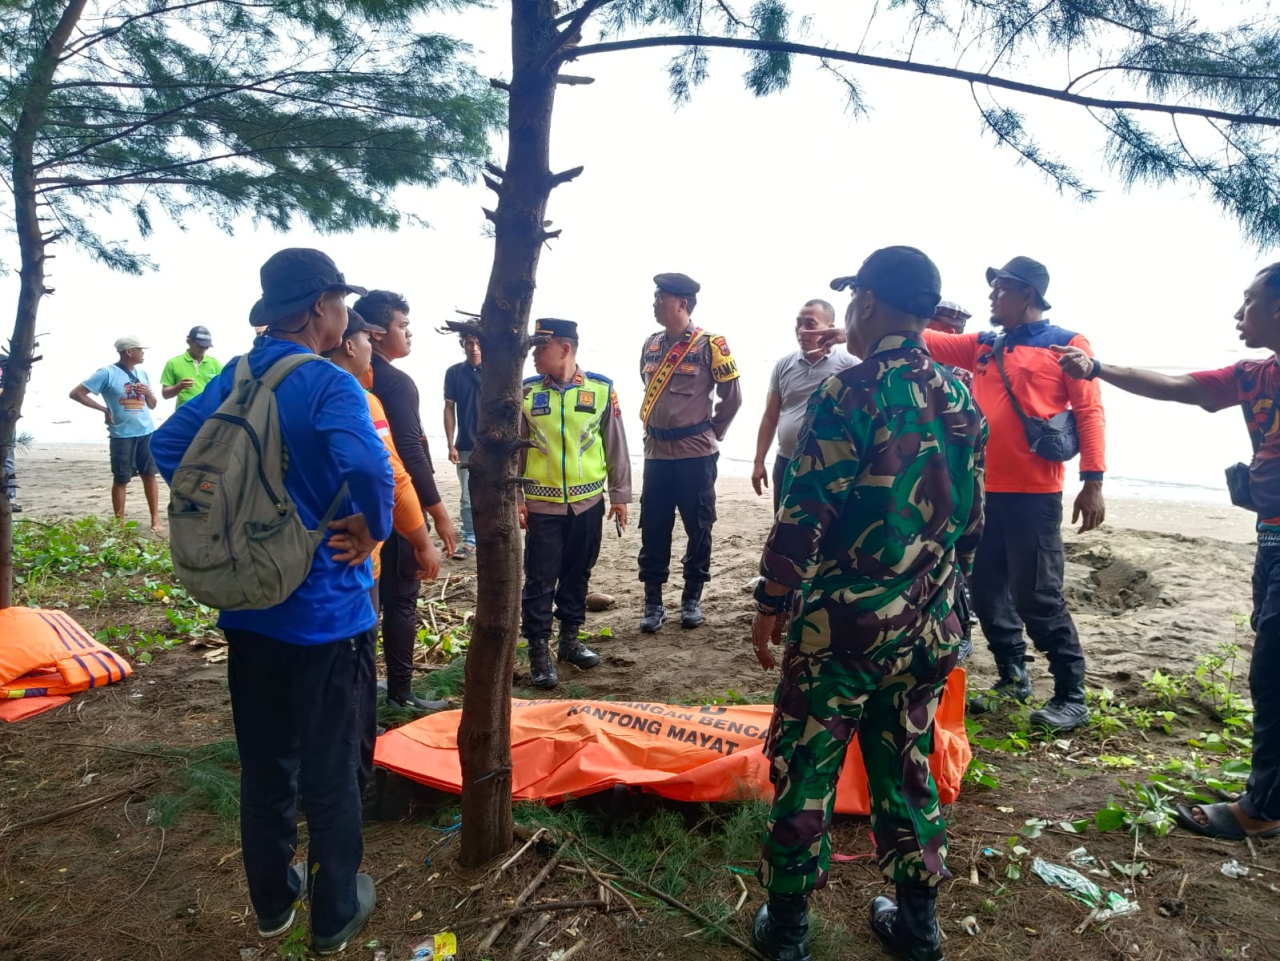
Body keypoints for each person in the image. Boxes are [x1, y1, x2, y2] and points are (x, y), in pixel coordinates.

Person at [152, 247, 392, 955]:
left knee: (265, 762)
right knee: (333, 767)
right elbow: (368, 464)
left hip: (249, 605)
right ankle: (335, 912)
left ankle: (272, 902)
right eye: (341, 302)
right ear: (320, 307)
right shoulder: (327, 381)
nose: (346, 314)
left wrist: (243, 515)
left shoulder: (234, 374)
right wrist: (371, 527)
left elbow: (168, 448)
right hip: (327, 611)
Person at [749, 246, 986, 961]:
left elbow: (804, 512)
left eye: (854, 300)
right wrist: (949, 602)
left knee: (808, 766)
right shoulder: (961, 396)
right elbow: (972, 523)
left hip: (843, 631)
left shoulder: (848, 391)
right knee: (908, 764)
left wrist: (771, 598)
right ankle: (918, 927)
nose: (849, 313)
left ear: (872, 303)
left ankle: (787, 930)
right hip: (930, 623)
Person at [1054, 262, 1280, 843]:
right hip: (1271, 537)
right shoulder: (1255, 375)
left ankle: (1261, 810)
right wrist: (1097, 368)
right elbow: (1177, 386)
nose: (1239, 312)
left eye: (1249, 300)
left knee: (1273, 674)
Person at [922, 256, 1106, 732]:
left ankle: (1071, 695)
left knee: (1037, 596)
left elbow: (1089, 411)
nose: (992, 295)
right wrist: (859, 325)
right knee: (986, 592)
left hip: (1035, 495)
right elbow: (927, 340)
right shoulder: (985, 345)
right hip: (982, 492)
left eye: (1001, 288)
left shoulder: (1068, 343)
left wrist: (1093, 481)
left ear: (1027, 294)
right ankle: (1013, 677)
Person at [323, 308, 447, 766]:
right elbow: (391, 475)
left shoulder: (269, 387)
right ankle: (360, 732)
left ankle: (338, 725)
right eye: (367, 339)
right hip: (351, 551)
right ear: (350, 343)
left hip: (292, 553)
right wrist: (419, 537)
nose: (371, 348)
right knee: (360, 636)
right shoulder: (359, 397)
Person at [516, 319, 632, 688]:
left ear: (565, 349)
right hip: (541, 505)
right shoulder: (526, 392)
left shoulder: (601, 389)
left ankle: (569, 641)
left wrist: (620, 495)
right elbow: (516, 452)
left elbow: (615, 443)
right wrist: (516, 498)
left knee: (578, 573)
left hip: (587, 504)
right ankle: (538, 651)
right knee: (539, 579)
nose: (534, 354)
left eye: (541, 347)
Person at [357, 289, 457, 712]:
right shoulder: (394, 383)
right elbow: (410, 455)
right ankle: (400, 691)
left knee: (370, 601)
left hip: (361, 510)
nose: (409, 333)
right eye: (403, 325)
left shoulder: (347, 379)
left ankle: (368, 689)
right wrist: (438, 514)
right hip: (397, 508)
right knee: (401, 598)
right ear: (376, 333)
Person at [637, 272, 741, 632]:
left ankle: (691, 599)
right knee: (653, 527)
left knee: (699, 527)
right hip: (656, 455)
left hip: (695, 455)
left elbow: (732, 397)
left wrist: (713, 431)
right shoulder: (651, 344)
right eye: (655, 297)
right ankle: (653, 602)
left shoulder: (711, 344)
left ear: (681, 303)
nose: (654, 303)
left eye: (660, 298)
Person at [752, 299, 859, 513]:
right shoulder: (784, 365)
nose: (802, 330)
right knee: (783, 523)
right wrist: (759, 462)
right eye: (798, 323)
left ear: (830, 328)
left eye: (810, 324)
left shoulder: (850, 366)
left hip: (828, 467)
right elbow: (770, 417)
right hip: (786, 460)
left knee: (825, 526)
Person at [70, 336, 164, 533]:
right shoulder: (107, 373)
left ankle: (155, 520)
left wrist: (147, 393)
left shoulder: (142, 373)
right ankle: (119, 524)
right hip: (122, 434)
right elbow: (77, 393)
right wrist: (104, 410)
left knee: (149, 475)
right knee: (121, 479)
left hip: (146, 432)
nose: (143, 353)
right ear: (129, 352)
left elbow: (153, 405)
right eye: (140, 349)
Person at [444, 329, 482, 559]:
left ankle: (489, 536)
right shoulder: (454, 373)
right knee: (467, 496)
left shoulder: (497, 373)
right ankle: (469, 540)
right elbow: (449, 408)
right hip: (466, 444)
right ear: (463, 344)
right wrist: (451, 444)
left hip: (494, 446)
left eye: (478, 342)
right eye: (469, 343)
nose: (474, 348)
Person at [160, 325, 223, 407]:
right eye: (199, 346)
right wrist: (179, 386)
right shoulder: (173, 363)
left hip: (209, 412)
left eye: (206, 347)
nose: (203, 349)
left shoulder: (215, 364)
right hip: (185, 412)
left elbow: (224, 390)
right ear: (189, 341)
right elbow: (165, 394)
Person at [1, 350, 18, 512]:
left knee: (7, 458)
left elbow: (10, 390)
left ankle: (11, 497)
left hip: (4, 417)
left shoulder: (6, 362)